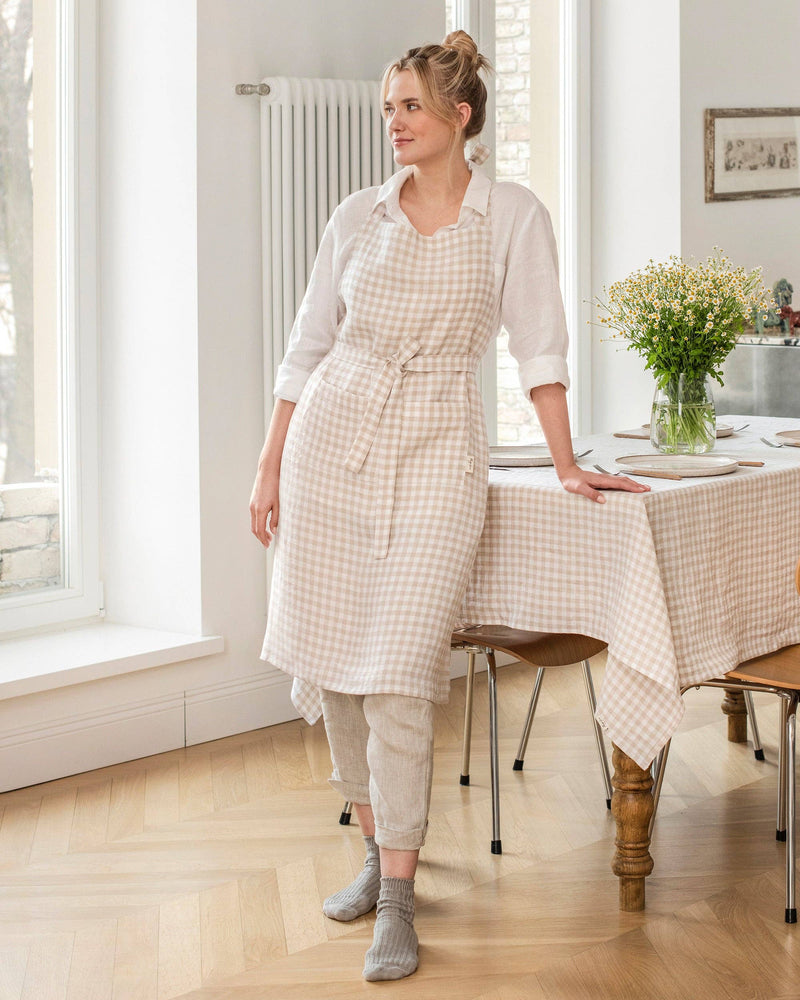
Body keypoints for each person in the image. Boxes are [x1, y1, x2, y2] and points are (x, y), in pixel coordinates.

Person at [249, 30, 647, 982]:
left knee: (398, 672)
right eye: (388, 107)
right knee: (336, 669)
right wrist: (268, 468)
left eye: (410, 107)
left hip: (437, 454)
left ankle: (399, 897)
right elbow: (307, 348)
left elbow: (540, 348)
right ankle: (374, 855)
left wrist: (566, 465)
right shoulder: (357, 215)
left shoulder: (512, 216)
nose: (393, 122)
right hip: (331, 448)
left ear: (459, 117)